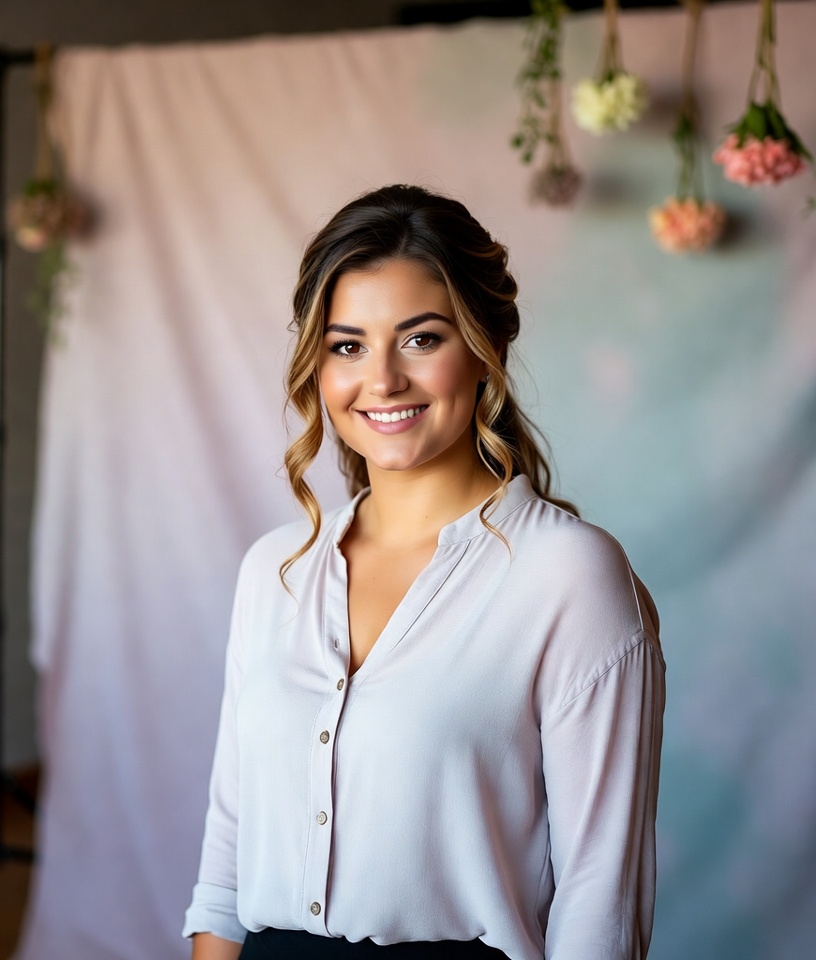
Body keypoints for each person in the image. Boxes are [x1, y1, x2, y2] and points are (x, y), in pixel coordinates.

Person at [183, 184, 665, 960]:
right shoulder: (275, 569)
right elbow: (228, 854)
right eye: (347, 346)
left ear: (485, 347)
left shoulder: (569, 575)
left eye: (420, 339)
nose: (382, 381)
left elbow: (599, 901)